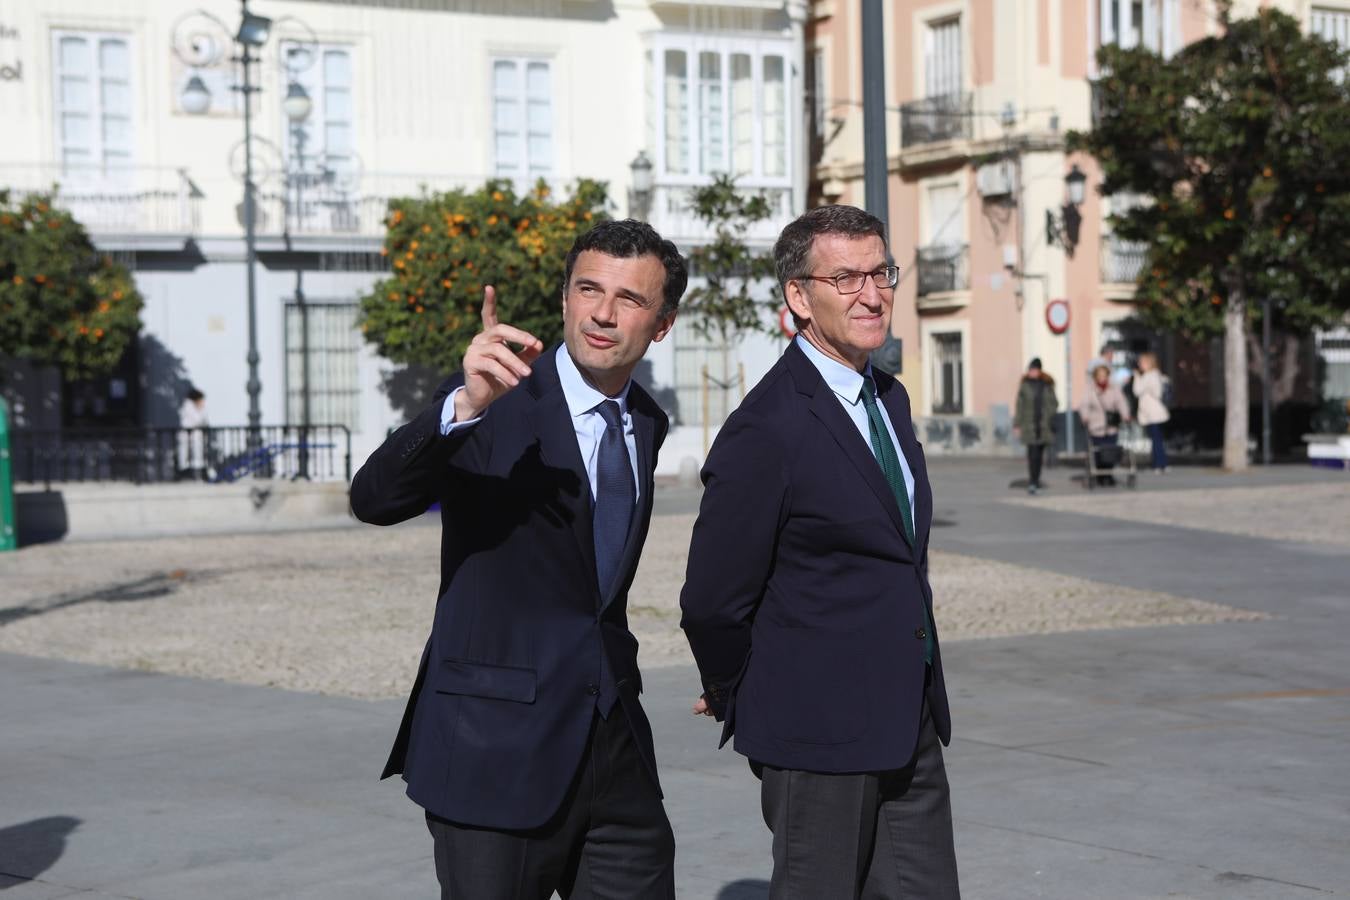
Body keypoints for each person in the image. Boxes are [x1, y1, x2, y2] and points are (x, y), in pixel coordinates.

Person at [350, 219, 686, 899]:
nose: (600, 312)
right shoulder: (495, 397)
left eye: (629, 299)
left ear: (662, 323)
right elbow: (375, 499)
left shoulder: (646, 421)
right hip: (491, 751)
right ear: (564, 297)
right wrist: (460, 407)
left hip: (612, 752)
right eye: (587, 289)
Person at [680, 205, 959, 899]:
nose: (873, 293)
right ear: (799, 297)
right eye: (847, 277)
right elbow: (713, 599)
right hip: (818, 732)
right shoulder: (766, 428)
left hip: (908, 719)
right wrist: (734, 691)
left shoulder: (886, 398)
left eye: (881, 272)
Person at [1078, 364, 1132, 485]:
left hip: (1111, 425)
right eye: (1100, 375)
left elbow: (1121, 402)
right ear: (1095, 377)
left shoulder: (1114, 389)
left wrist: (1125, 415)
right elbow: (1084, 405)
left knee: (1111, 452)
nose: (1102, 378)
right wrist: (1085, 417)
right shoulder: (1090, 390)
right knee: (1097, 453)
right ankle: (1099, 475)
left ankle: (1108, 475)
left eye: (1104, 375)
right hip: (1096, 426)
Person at [1013, 357, 1058, 495]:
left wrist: (1049, 415)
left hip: (1043, 425)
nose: (1032, 372)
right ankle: (1032, 481)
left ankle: (1036, 479)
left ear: (1039, 370)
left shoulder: (1046, 385)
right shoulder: (1024, 385)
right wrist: (1017, 424)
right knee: (1032, 454)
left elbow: (1054, 403)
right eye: (1030, 369)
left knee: (1039, 455)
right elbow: (1019, 406)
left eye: (1034, 369)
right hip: (1029, 425)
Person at [1132, 352, 1171, 472]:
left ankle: (1158, 464)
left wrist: (1137, 377)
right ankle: (1161, 463)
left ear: (1149, 363)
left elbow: (1137, 391)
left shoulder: (1149, 376)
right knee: (1157, 439)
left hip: (1153, 413)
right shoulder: (1157, 375)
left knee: (1156, 439)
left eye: (1142, 362)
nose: (1140, 365)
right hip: (1156, 412)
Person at [176, 387, 209, 481]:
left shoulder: (198, 407)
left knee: (197, 453)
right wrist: (201, 409)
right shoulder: (188, 406)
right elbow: (198, 420)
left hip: (196, 435)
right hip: (188, 435)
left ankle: (197, 471)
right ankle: (184, 472)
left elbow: (204, 420)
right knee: (185, 454)